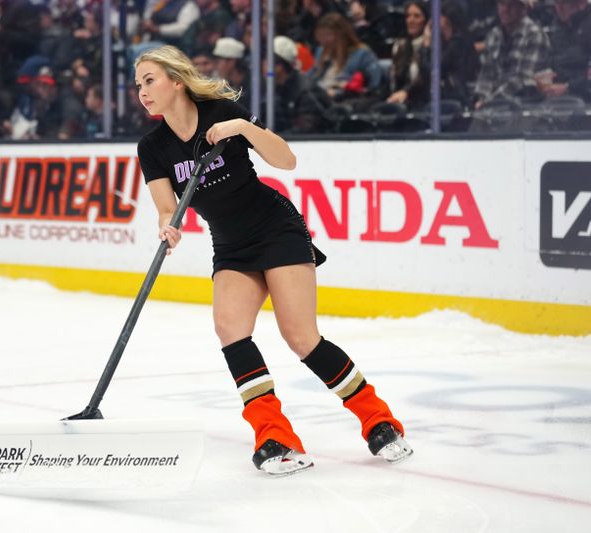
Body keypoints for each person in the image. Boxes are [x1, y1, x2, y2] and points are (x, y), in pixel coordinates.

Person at [134, 45, 412, 475]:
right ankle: (274, 436)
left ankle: (380, 421)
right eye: (138, 85)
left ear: (176, 80)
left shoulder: (221, 112)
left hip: (274, 227)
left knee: (300, 336)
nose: (142, 91)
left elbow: (287, 160)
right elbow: (167, 208)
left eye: (150, 80)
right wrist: (168, 227)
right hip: (231, 244)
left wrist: (242, 126)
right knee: (230, 330)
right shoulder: (152, 147)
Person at [474, 0, 550, 109]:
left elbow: (522, 79)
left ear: (523, 8)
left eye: (511, 5)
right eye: (502, 4)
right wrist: (480, 99)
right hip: (491, 106)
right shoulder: (494, 34)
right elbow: (486, 74)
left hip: (524, 106)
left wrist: (489, 102)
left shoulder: (535, 35)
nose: (505, 9)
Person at [537, 0, 591, 102]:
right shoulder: (557, 26)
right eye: (557, 3)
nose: (560, 8)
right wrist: (545, 75)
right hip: (557, 97)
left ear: (581, 3)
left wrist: (568, 87)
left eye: (565, 3)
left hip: (585, 99)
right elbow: (553, 60)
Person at [386, 1, 429, 107]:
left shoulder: (433, 46)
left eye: (417, 16)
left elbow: (425, 77)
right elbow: (394, 79)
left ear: (427, 21)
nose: (411, 20)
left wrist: (406, 92)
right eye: (408, 16)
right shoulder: (400, 45)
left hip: (421, 99)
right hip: (398, 98)